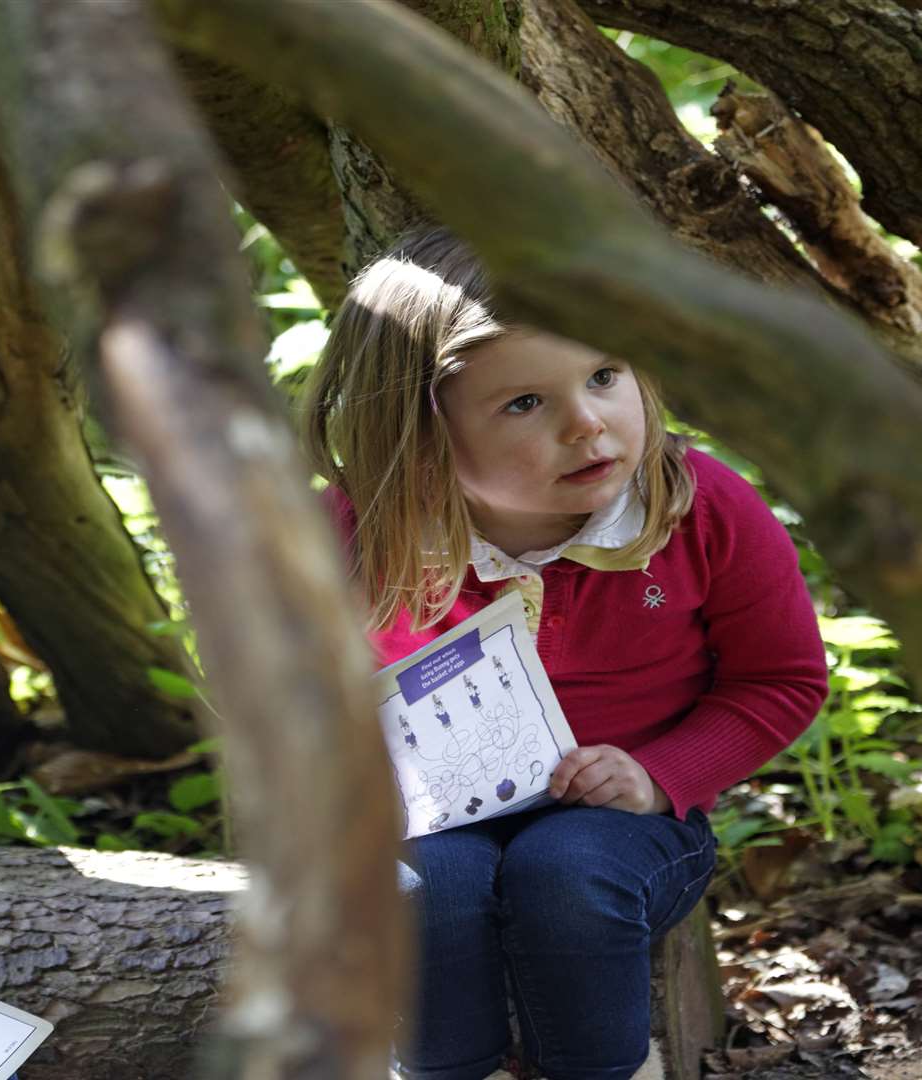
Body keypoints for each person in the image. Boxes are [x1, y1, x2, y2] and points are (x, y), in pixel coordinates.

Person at [302, 231, 828, 1080]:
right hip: (432, 818)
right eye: (524, 404)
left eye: (604, 376)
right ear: (425, 430)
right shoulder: (362, 533)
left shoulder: (698, 510)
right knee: (423, 895)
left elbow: (781, 679)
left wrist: (660, 776)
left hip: (626, 823)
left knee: (566, 877)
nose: (588, 423)